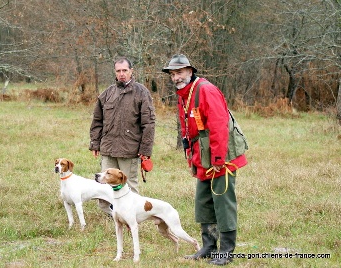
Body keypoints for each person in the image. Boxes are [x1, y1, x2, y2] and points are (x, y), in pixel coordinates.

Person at [162, 54, 248, 266]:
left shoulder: (206, 90)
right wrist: (191, 158)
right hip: (202, 155)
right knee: (204, 202)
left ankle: (226, 251)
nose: (175, 77)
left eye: (179, 72)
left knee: (223, 202)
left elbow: (219, 125)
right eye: (172, 74)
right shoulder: (183, 94)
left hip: (220, 156)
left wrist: (218, 158)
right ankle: (209, 247)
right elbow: (187, 130)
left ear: (190, 71)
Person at [89, 57, 156, 197]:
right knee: (104, 185)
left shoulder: (142, 92)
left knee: (129, 184)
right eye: (118, 71)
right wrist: (95, 143)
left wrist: (145, 149)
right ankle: (110, 213)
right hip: (108, 148)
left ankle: (132, 216)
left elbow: (148, 123)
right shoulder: (107, 93)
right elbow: (97, 120)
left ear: (131, 71)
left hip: (129, 149)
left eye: (125, 70)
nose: (121, 74)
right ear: (115, 72)